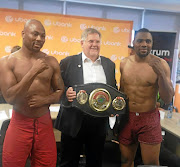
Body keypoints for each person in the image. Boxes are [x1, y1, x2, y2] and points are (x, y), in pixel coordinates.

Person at [0, 19, 64, 167]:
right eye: (35, 34)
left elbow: (60, 90)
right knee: (12, 163)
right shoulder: (7, 62)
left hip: (44, 122)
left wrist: (45, 100)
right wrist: (33, 72)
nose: (39, 39)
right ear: (23, 34)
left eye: (43, 36)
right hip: (20, 122)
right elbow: (10, 98)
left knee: (47, 164)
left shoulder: (51, 61)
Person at [54, 28, 117, 167]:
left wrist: (114, 105)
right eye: (91, 41)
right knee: (68, 162)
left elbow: (113, 89)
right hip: (73, 121)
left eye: (97, 41)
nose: (94, 44)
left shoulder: (109, 65)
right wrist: (66, 93)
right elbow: (56, 88)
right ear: (82, 43)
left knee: (95, 162)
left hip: (99, 124)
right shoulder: (67, 62)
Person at [119, 28, 174, 167]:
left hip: (148, 118)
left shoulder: (160, 64)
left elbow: (167, 98)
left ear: (152, 44)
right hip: (127, 117)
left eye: (148, 41)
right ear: (134, 43)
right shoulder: (124, 63)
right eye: (140, 41)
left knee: (151, 164)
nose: (144, 44)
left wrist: (161, 74)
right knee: (126, 161)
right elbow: (122, 91)